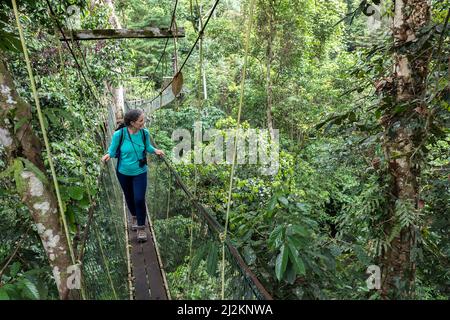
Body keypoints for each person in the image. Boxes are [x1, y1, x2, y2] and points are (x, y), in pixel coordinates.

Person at [102, 109, 165, 242]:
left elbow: (147, 147)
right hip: (123, 172)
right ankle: (135, 216)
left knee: (139, 198)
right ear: (132, 122)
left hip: (140, 171)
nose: (144, 122)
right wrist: (108, 155)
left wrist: (156, 151)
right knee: (129, 197)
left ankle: (141, 227)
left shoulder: (144, 133)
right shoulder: (120, 134)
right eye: (141, 120)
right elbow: (112, 151)